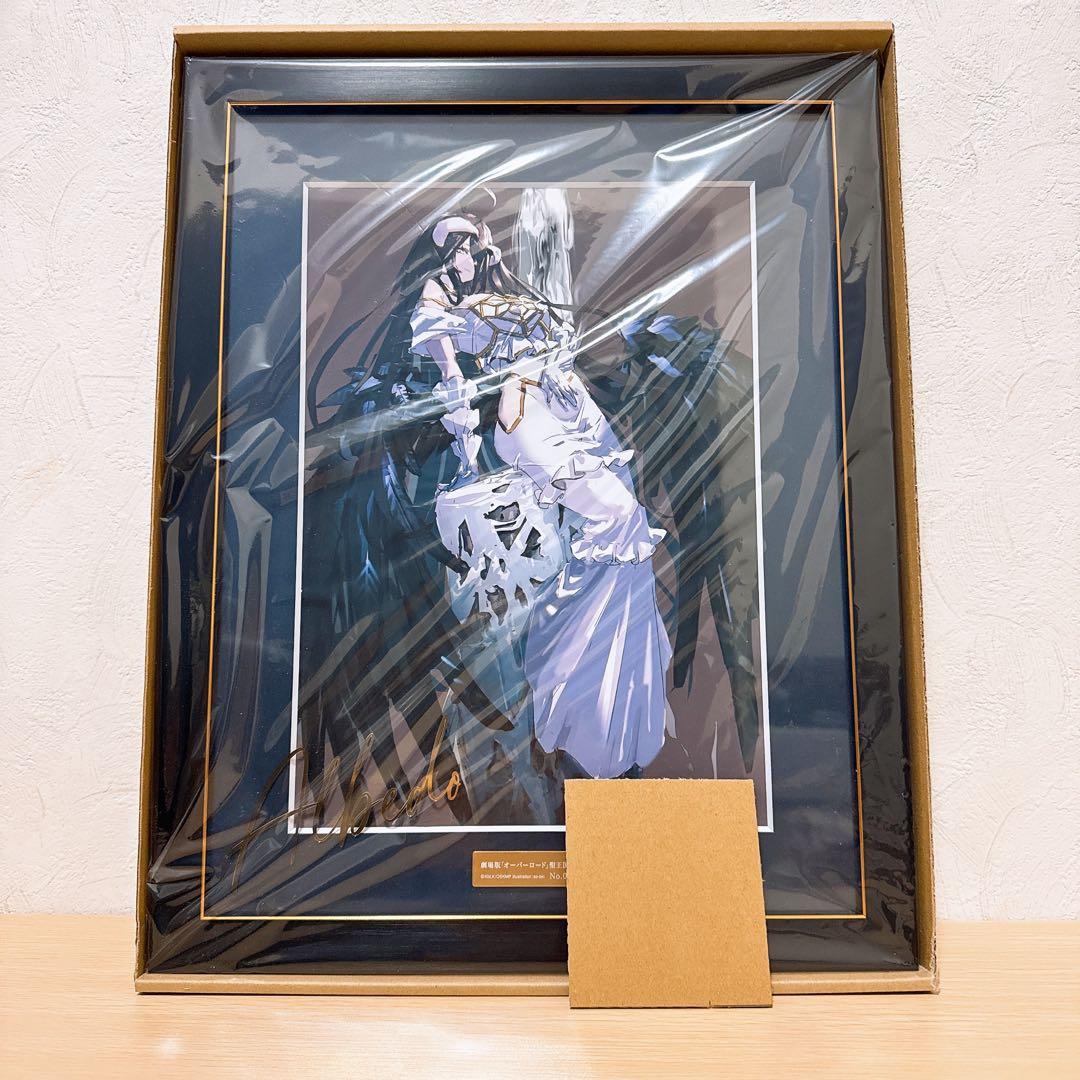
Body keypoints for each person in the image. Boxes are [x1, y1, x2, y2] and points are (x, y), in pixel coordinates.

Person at [409, 210, 672, 779]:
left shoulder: (505, 282)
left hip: (572, 405)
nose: (469, 253)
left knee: (626, 526)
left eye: (473, 241)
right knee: (619, 517)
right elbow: (449, 372)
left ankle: (619, 702)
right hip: (525, 414)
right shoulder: (439, 295)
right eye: (457, 247)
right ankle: (571, 681)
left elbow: (553, 330)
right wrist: (462, 427)